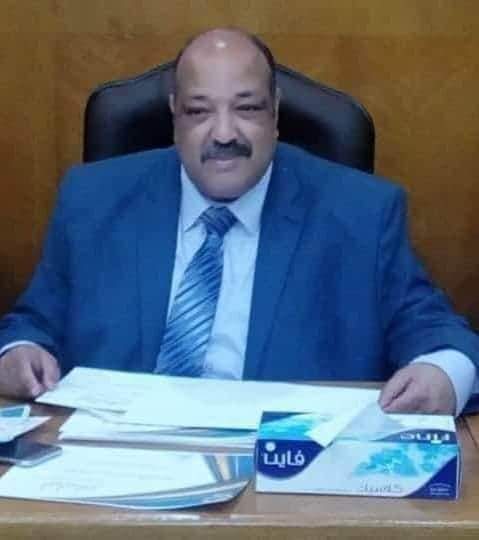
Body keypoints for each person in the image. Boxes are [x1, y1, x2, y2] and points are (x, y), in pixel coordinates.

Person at [0, 28, 477, 415]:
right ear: (174, 115)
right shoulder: (92, 201)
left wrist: (441, 374)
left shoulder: (361, 213)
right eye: (199, 112)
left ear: (275, 113)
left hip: (283, 473)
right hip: (110, 465)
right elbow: (32, 324)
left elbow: (439, 336)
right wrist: (19, 353)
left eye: (246, 108)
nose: (224, 133)